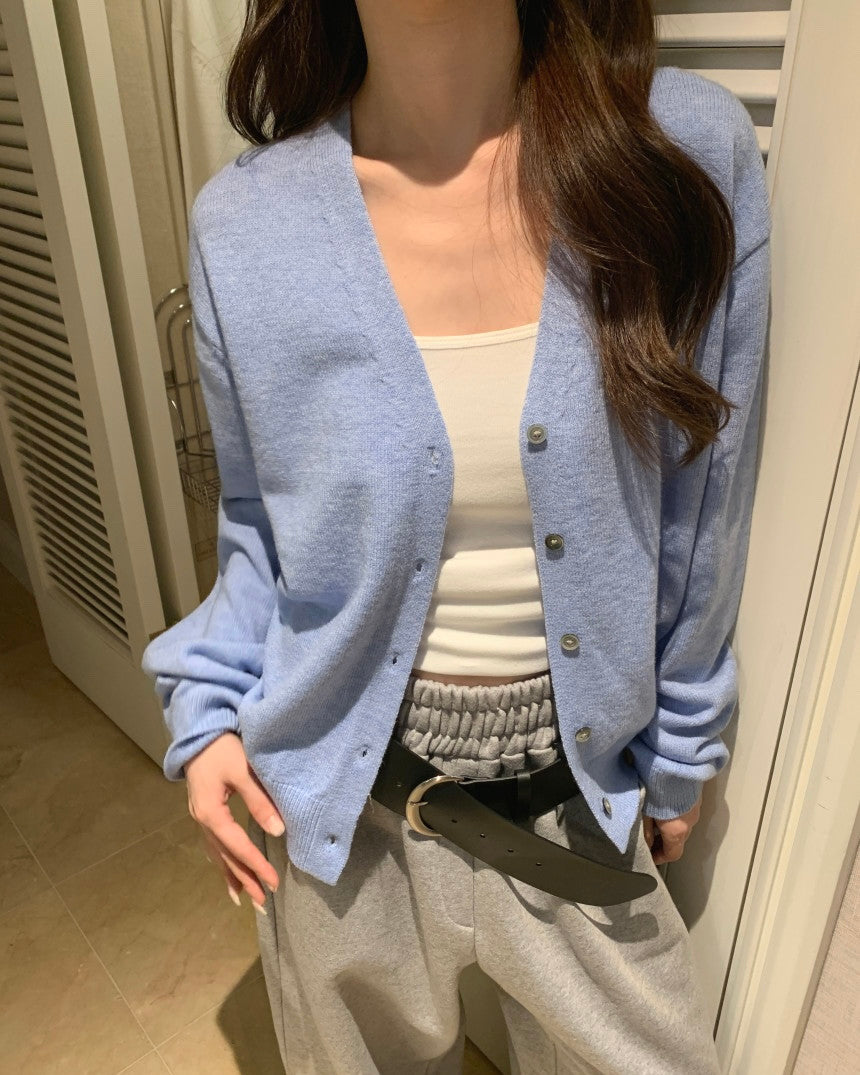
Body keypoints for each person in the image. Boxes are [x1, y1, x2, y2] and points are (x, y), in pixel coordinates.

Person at [142, 1, 771, 1072]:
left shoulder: (677, 153)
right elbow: (257, 527)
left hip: (575, 804)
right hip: (339, 812)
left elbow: (706, 505)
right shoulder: (242, 223)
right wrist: (204, 715)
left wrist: (680, 745)